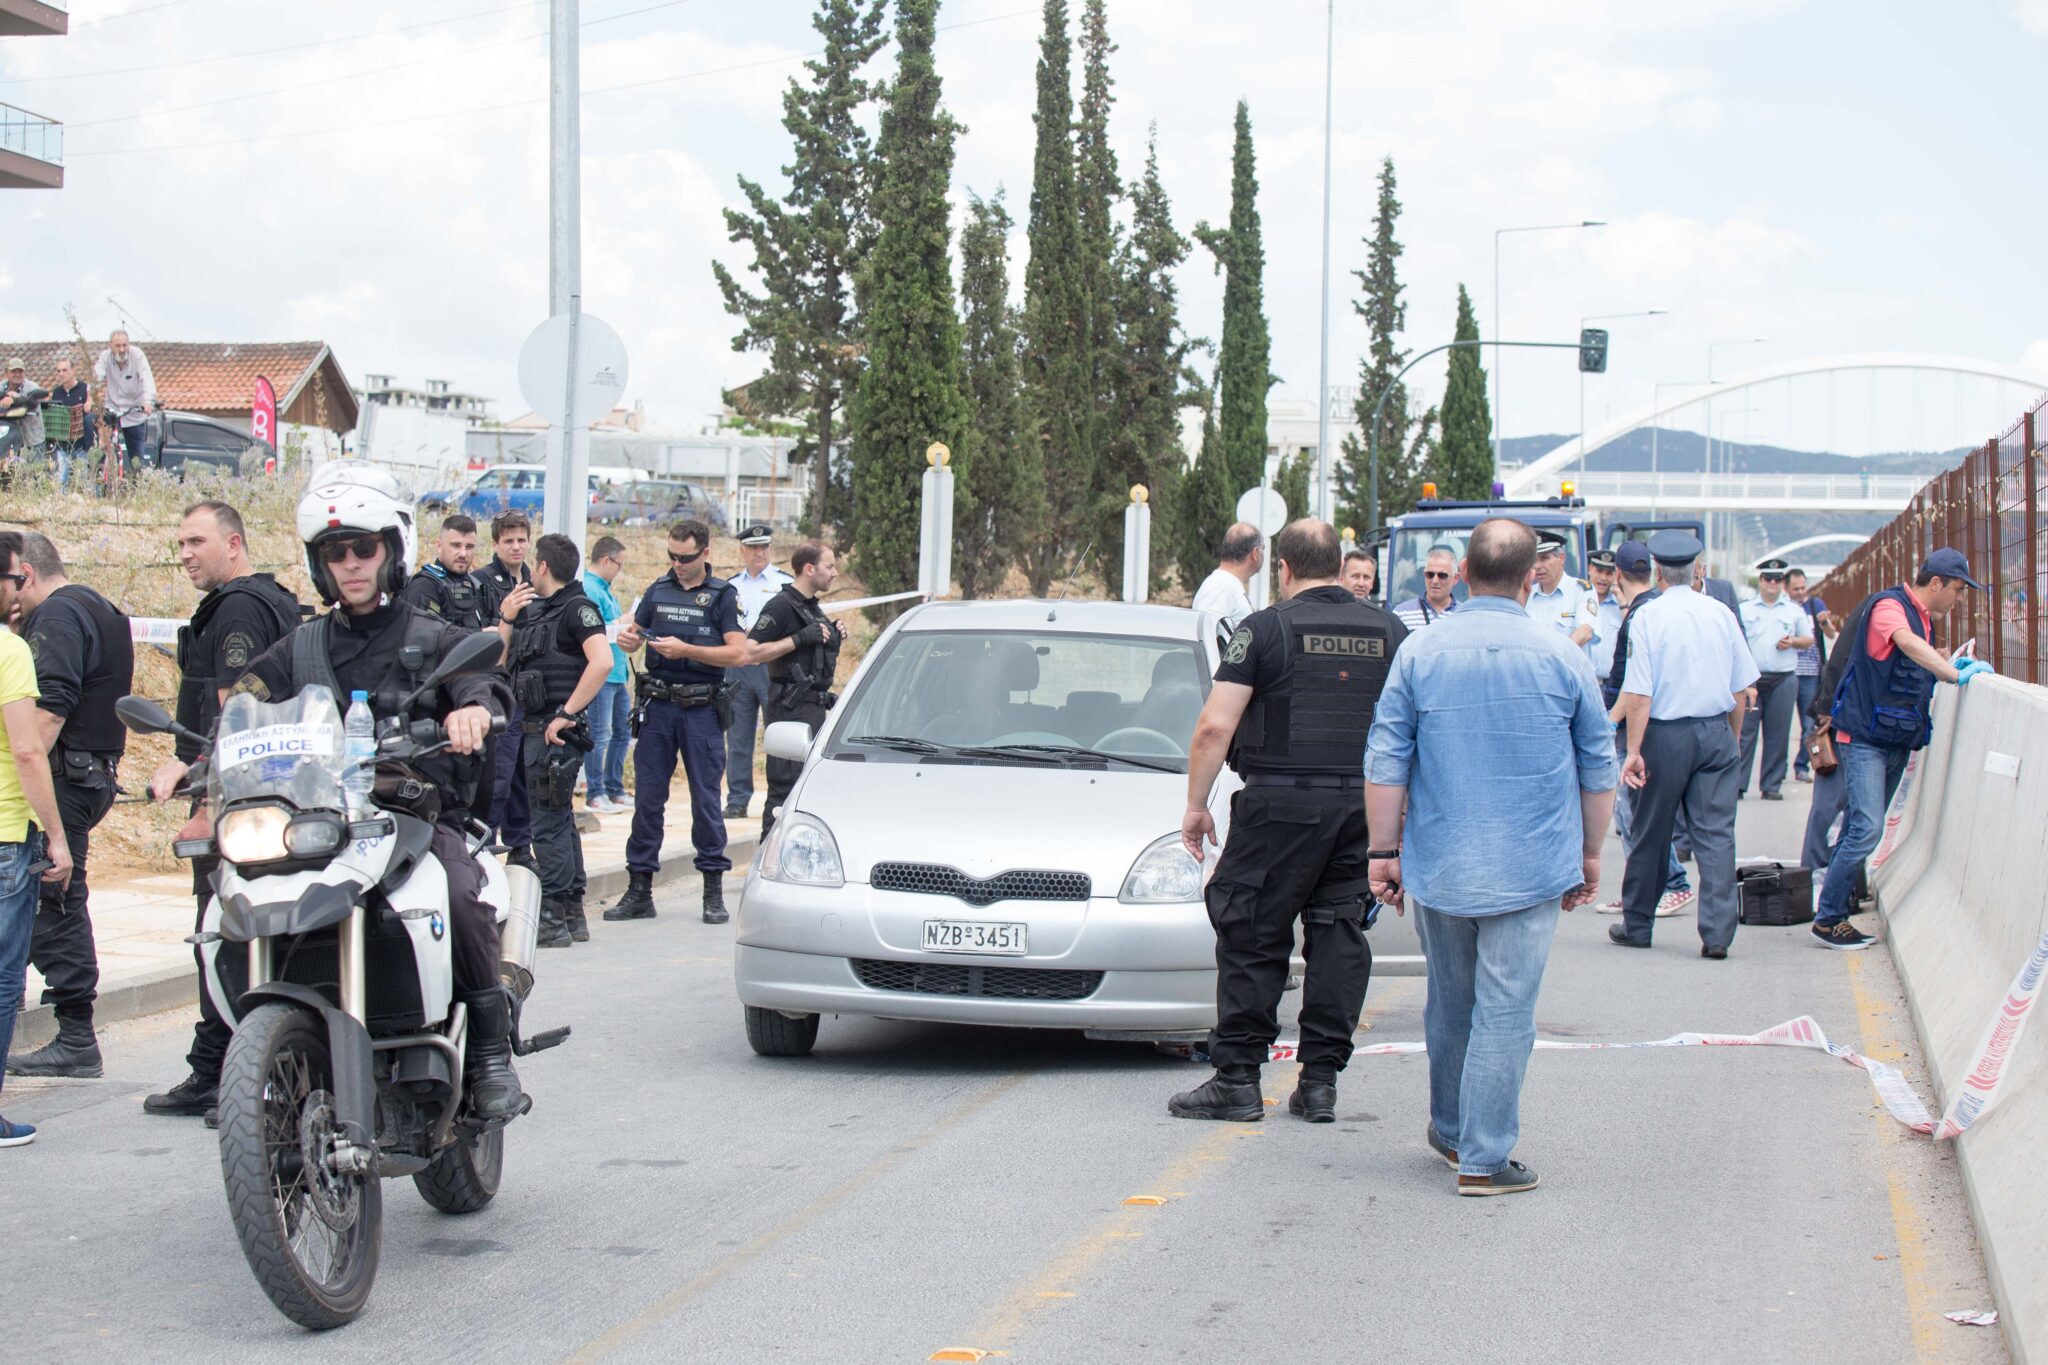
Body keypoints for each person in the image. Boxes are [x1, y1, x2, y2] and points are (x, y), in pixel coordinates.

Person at [220, 461, 525, 1118]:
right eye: (337, 553)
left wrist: (470, 708)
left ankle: (491, 1054)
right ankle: (251, 1064)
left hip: (407, 812)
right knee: (221, 903)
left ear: (393, 550)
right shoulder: (299, 646)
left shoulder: (430, 634)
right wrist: (189, 760)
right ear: (319, 563)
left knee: (460, 891)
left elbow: (481, 680)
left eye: (364, 548)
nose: (351, 563)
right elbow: (238, 704)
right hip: (317, 817)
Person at [1366, 518, 1614, 1196]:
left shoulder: (1420, 652)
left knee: (1449, 1002)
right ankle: (1483, 1156)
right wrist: (1590, 854)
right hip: (1532, 864)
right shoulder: (1563, 655)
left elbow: (1386, 758)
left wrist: (1383, 850)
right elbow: (1599, 767)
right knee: (1506, 1009)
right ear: (1532, 577)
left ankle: (1450, 1129)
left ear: (1465, 575)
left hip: (1442, 863)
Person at [1168, 519, 1405, 1126]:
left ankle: (1238, 1081)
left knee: (1252, 935)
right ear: (1340, 565)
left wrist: (1196, 807)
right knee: (1338, 937)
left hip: (1279, 810)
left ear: (1286, 569)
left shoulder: (1266, 628)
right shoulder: (1391, 632)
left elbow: (1215, 727)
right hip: (1362, 811)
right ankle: (1320, 1083)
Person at [140, 501, 301, 1120]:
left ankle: (236, 1072)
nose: (184, 553)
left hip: (239, 804)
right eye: (179, 542)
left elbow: (238, 715)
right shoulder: (269, 601)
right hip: (266, 797)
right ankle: (217, 1065)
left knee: (223, 935)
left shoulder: (237, 609)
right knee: (236, 933)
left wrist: (209, 800)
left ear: (233, 544)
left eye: (195, 541)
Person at [1811, 549, 1993, 950]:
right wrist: (1950, 674)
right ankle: (1828, 919)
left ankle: (1833, 907)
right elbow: (1904, 643)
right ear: (1936, 584)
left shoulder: (1922, 617)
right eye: (1958, 591)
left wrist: (1947, 660)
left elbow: (1903, 662)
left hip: (1893, 739)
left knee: (1861, 829)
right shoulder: (1892, 607)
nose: (1959, 600)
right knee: (1866, 829)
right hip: (1864, 740)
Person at [2, 534, 132, 1080]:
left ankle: (76, 1036)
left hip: (62, 779)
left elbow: (46, 718)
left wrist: (25, 788)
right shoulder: (98, 605)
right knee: (53, 897)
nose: (9, 602)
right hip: (91, 773)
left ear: (26, 574)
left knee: (52, 900)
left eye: (9, 584)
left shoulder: (55, 618)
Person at [1610, 530, 1759, 959]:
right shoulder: (1721, 614)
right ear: (1698, 569)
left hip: (1664, 735)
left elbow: (1639, 695)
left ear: (1656, 571)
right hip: (1714, 731)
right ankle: (1716, 935)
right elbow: (1738, 690)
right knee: (1716, 835)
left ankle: (1638, 925)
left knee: (1651, 831)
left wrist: (1634, 751)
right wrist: (1728, 741)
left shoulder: (1648, 618)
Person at [611, 520, 749, 925]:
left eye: (685, 557)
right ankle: (639, 889)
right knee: (648, 800)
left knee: (706, 801)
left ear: (705, 553)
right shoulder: (658, 589)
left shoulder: (723, 596)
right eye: (672, 556)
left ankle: (712, 890)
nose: (678, 564)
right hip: (658, 707)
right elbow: (634, 630)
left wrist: (687, 649)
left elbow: (738, 654)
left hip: (701, 709)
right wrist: (630, 640)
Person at [0, 533, 75, 1148]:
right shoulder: (10, 650)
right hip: (2, 834)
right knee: (1, 981)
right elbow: (28, 749)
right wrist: (56, 835)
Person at [503, 533, 612, 948]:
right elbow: (499, 662)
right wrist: (507, 617)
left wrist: (567, 713)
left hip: (554, 733)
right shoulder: (535, 612)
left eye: (533, 560)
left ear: (542, 567)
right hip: (536, 731)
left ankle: (550, 921)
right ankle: (570, 914)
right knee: (559, 820)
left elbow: (602, 661)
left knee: (546, 826)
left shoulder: (576, 608)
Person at [1595, 541, 1694, 919]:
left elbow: (1633, 685)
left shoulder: (1641, 615)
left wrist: (1609, 724)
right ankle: (1639, 890)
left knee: (1635, 816)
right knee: (1630, 817)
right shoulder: (1651, 608)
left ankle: (1673, 883)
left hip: (1633, 727)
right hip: (1650, 725)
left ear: (1617, 574)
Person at [746, 541, 844, 840]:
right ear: (809, 568)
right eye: (829, 566)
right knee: (783, 789)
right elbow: (751, 651)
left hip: (813, 709)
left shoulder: (811, 606)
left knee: (810, 788)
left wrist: (834, 634)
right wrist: (797, 639)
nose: (835, 573)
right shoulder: (781, 606)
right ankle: (767, 855)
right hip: (789, 710)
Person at [479, 512, 536, 871]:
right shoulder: (482, 583)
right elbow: (487, 643)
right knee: (498, 773)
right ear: (496, 544)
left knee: (524, 776)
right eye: (509, 541)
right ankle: (486, 842)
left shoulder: (534, 579)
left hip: (531, 694)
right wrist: (506, 614)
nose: (516, 547)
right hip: (499, 690)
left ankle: (521, 845)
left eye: (521, 540)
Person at [725, 523, 791, 818]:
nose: (759, 553)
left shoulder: (783, 584)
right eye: (753, 548)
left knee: (777, 735)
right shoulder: (729, 587)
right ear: (742, 550)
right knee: (738, 737)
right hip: (738, 669)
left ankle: (782, 795)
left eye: (763, 547)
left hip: (772, 667)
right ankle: (737, 798)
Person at [1736, 559, 1813, 801]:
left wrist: (1792, 642)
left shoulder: (1793, 611)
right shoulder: (1746, 609)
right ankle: (1737, 784)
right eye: (1768, 578)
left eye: (1777, 579)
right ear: (1760, 581)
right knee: (1745, 733)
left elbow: (1807, 639)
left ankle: (1771, 785)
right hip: (1751, 680)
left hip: (1783, 678)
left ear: (1783, 583)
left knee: (1778, 734)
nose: (1772, 583)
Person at [579, 536, 633, 815]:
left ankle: (615, 788)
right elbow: (594, 631)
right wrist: (620, 623)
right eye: (619, 564)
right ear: (606, 560)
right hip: (602, 674)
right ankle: (595, 792)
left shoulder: (606, 590)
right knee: (600, 734)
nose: (619, 570)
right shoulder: (590, 589)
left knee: (622, 733)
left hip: (617, 672)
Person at [400, 514, 493, 629]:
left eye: (469, 547)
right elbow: (422, 638)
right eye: (456, 546)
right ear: (439, 546)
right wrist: (480, 635)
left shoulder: (476, 585)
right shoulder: (424, 586)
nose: (463, 554)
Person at [1787, 569, 1832, 783]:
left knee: (1808, 724)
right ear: (1787, 588)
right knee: (1781, 725)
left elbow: (1831, 634)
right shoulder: (1783, 609)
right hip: (1787, 672)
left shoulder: (1815, 605)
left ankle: (1801, 765)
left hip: (1810, 674)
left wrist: (1824, 622)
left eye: (1803, 587)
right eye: (1796, 588)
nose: (1800, 592)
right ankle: (1776, 769)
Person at [1523, 530, 1599, 658]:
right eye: (1534, 560)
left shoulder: (1580, 590)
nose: (1537, 566)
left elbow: (1585, 632)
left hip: (1568, 673)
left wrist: (1553, 658)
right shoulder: (1527, 594)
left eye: (1544, 558)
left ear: (1561, 558)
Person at [93, 330, 157, 473]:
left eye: (124, 345)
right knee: (102, 448)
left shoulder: (138, 355)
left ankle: (138, 485)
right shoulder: (105, 357)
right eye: (117, 346)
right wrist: (92, 390)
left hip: (134, 411)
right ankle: (102, 477)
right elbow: (97, 377)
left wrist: (148, 402)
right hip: (112, 410)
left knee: (137, 458)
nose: (122, 350)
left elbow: (147, 379)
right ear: (110, 346)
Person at [1192, 523, 1263, 635]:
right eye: (1262, 549)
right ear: (1255, 553)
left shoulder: (1226, 584)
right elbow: (1206, 637)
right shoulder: (1221, 587)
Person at [44, 357, 92, 488]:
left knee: (85, 480)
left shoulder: (85, 389)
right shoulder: (56, 392)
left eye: (64, 370)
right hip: (62, 444)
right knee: (61, 480)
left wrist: (89, 403)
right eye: (58, 371)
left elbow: (91, 407)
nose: (61, 374)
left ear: (73, 370)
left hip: (81, 444)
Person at [1392, 546, 1460, 632]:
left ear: (1456, 578)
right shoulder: (1401, 614)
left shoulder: (1465, 614)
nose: (1435, 581)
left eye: (1442, 575)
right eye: (1430, 574)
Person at [1587, 548, 1623, 680]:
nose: (1603, 578)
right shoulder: (1577, 599)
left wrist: (1622, 599)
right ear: (1590, 569)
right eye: (1599, 571)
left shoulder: (1621, 605)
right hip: (1584, 682)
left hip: (1611, 684)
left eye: (1609, 573)